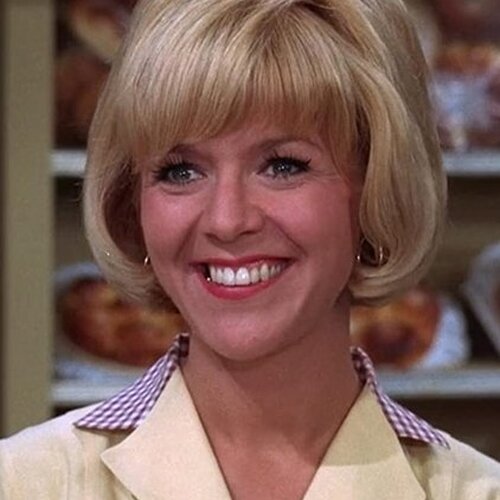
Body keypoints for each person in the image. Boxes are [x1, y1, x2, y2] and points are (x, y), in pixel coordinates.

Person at [1, 0, 500, 498]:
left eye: (283, 166)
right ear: (132, 202)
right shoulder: (24, 481)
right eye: (181, 171)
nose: (227, 220)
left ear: (377, 185)